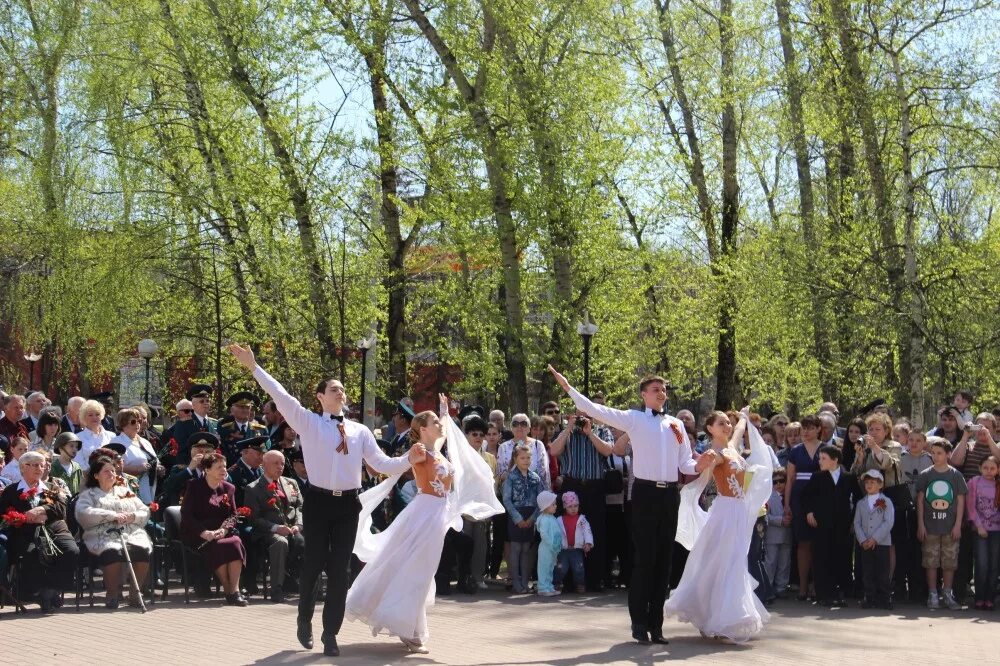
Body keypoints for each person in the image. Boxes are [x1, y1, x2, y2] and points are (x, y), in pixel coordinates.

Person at [229, 343, 415, 657]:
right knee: (314, 565)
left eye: (342, 388)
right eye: (333, 388)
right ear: (320, 396)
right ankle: (304, 619)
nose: (339, 392)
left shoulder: (359, 431)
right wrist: (254, 367)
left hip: (347, 505)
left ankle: (331, 633)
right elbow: (282, 396)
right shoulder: (309, 422)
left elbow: (382, 465)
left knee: (340, 570)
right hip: (317, 502)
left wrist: (413, 457)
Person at [549, 365, 712, 645]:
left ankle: (656, 625)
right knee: (644, 560)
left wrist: (701, 463)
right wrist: (567, 387)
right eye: (655, 389)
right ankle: (639, 623)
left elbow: (685, 463)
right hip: (646, 494)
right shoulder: (635, 419)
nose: (661, 393)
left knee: (664, 561)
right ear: (643, 395)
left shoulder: (676, 425)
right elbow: (596, 411)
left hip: (669, 494)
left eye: (663, 389)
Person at [346, 396, 503, 654]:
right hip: (425, 515)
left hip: (436, 515)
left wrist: (442, 411)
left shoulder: (436, 449)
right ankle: (410, 630)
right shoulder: (419, 452)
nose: (440, 425)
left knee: (423, 571)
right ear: (423, 429)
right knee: (417, 571)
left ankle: (412, 628)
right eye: (434, 422)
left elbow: (440, 434)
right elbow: (395, 466)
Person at [666, 409, 773, 643]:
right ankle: (723, 617)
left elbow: (739, 430)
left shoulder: (732, 447)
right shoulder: (716, 453)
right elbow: (704, 467)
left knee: (731, 563)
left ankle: (719, 617)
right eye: (721, 423)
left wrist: (743, 416)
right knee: (726, 563)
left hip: (739, 512)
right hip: (726, 513)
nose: (727, 426)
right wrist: (706, 461)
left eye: (727, 423)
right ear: (710, 428)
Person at [0, 451, 79, 613]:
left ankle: (51, 590)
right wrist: (25, 518)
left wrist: (41, 509)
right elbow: (4, 514)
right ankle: (38, 593)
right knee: (33, 553)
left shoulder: (52, 488)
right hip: (25, 531)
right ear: (23, 468)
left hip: (55, 528)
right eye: (35, 465)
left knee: (71, 550)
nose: (40, 468)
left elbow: (62, 508)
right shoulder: (11, 490)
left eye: (42, 465)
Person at [74, 456, 153, 608]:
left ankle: (134, 594)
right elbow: (83, 513)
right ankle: (112, 593)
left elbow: (144, 509)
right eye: (106, 471)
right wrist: (112, 516)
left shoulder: (125, 491)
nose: (112, 474)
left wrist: (133, 516)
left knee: (142, 550)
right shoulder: (89, 494)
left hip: (130, 532)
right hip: (102, 533)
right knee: (113, 551)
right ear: (96, 475)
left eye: (113, 471)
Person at [549, 410, 610, 591]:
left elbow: (608, 451)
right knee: (569, 532)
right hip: (572, 486)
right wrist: (568, 428)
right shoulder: (566, 432)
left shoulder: (601, 431)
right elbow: (554, 450)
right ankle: (569, 580)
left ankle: (594, 579)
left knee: (596, 532)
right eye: (579, 415)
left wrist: (590, 432)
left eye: (587, 415)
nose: (583, 419)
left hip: (595, 487)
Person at [180, 451, 248, 606]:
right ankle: (228, 589)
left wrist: (224, 530)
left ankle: (234, 590)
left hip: (221, 531)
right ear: (207, 470)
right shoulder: (194, 486)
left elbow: (233, 515)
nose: (224, 470)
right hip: (199, 533)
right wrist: (204, 532)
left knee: (235, 542)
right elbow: (187, 514)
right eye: (219, 467)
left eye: (224, 466)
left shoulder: (229, 488)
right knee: (219, 546)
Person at [949, 412, 1000, 603]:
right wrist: (965, 435)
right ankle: (962, 593)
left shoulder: (997, 446)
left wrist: (990, 439)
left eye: (987, 426)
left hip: (992, 512)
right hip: (968, 505)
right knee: (965, 553)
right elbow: (955, 461)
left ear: (994, 429)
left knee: (990, 560)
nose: (982, 430)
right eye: (979, 426)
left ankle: (988, 596)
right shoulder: (968, 445)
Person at [245, 449, 304, 603]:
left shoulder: (291, 483)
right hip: (268, 532)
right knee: (280, 542)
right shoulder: (254, 488)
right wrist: (276, 528)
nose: (280, 467)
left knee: (309, 541)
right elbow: (254, 519)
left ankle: (310, 586)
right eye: (275, 463)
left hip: (293, 528)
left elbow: (300, 507)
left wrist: (298, 524)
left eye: (282, 463)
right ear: (264, 465)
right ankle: (277, 588)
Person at [803, 445, 859, 607]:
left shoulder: (848, 477)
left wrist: (854, 519)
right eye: (819, 458)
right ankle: (823, 594)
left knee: (841, 558)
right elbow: (806, 497)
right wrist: (809, 512)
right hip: (822, 525)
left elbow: (857, 498)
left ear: (835, 460)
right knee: (822, 558)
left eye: (824, 458)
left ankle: (840, 592)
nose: (820, 462)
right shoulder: (817, 477)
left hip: (843, 525)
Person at [915, 439, 967, 610]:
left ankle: (947, 593)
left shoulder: (955, 475)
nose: (935, 456)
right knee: (930, 561)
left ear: (948, 454)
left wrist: (958, 525)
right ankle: (932, 594)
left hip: (950, 527)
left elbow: (960, 501)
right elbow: (921, 501)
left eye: (939, 453)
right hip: (930, 527)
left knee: (949, 562)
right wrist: (921, 525)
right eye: (933, 453)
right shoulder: (925, 475)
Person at [784, 414, 823, 601]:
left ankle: (818, 584)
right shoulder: (796, 451)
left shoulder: (826, 449)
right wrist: (787, 505)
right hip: (799, 498)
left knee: (818, 542)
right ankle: (803, 586)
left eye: (810, 428)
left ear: (818, 429)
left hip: (819, 497)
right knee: (802, 543)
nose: (806, 432)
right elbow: (790, 479)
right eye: (804, 428)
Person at [502, 443, 544, 594]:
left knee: (527, 548)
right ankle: (516, 582)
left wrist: (533, 518)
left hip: (530, 515)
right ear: (515, 458)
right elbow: (507, 500)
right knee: (516, 548)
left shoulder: (535, 478)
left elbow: (541, 499)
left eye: (528, 458)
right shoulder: (511, 477)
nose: (526, 461)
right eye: (522, 458)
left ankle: (526, 582)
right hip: (516, 516)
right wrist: (517, 518)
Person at [854, 469, 894, 609]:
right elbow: (857, 523)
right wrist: (863, 540)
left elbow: (888, 522)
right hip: (865, 544)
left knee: (883, 571)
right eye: (867, 482)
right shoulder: (861, 503)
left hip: (881, 543)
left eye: (872, 482)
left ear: (880, 484)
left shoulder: (886, 501)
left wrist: (875, 539)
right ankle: (869, 597)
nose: (869, 485)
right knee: (868, 571)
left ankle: (885, 598)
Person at [966, 455, 1000, 610]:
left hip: (997, 531)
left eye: (992, 468)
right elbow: (971, 507)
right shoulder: (974, 482)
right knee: (981, 564)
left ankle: (990, 598)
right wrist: (979, 526)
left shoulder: (998, 484)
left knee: (994, 565)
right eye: (985, 467)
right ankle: (979, 598)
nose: (989, 471)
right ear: (980, 468)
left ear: (997, 470)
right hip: (980, 530)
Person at [111, 408, 161, 504]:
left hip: (149, 484)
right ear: (123, 424)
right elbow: (112, 466)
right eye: (133, 422)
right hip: (129, 487)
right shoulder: (117, 442)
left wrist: (158, 467)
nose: (138, 424)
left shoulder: (145, 442)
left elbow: (155, 459)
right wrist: (135, 469)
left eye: (139, 421)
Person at [496, 414, 551, 490]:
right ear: (511, 428)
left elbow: (544, 472)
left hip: (535, 490)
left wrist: (546, 492)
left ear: (529, 428)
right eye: (515, 424)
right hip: (512, 493)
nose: (519, 427)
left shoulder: (538, 445)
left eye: (523, 424)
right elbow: (500, 473)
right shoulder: (503, 447)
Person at [554, 490, 594, 593]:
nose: (573, 509)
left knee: (579, 568)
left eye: (575, 506)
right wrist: (554, 546)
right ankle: (556, 583)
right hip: (563, 550)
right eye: (570, 506)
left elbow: (587, 531)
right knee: (561, 568)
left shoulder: (582, 519)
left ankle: (580, 584)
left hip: (577, 550)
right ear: (565, 507)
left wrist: (588, 543)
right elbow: (555, 534)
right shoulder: (559, 520)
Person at [764, 469, 792, 597]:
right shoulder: (768, 497)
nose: (779, 484)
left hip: (787, 535)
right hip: (772, 535)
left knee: (784, 563)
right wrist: (780, 520)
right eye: (775, 482)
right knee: (771, 562)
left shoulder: (790, 496)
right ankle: (767, 587)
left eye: (782, 481)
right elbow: (766, 516)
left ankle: (781, 587)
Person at [75, 399, 115, 472]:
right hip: (89, 478)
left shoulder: (112, 436)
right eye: (90, 415)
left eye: (97, 414)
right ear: (84, 417)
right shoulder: (77, 438)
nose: (94, 417)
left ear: (102, 416)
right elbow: (79, 463)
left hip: (110, 476)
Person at [535, 490, 561, 597]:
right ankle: (542, 587)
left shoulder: (552, 518)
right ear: (545, 506)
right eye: (553, 504)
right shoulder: (544, 519)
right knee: (544, 568)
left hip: (553, 549)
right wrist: (551, 544)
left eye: (555, 504)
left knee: (550, 568)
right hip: (546, 548)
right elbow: (544, 534)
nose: (555, 506)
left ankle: (549, 586)